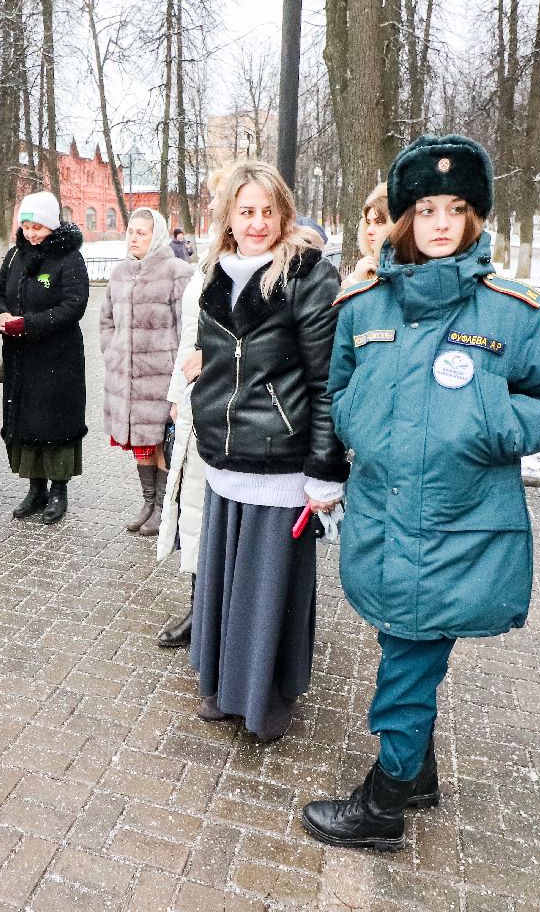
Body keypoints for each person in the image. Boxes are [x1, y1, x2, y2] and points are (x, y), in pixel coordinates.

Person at [299, 133, 540, 850]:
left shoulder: (512, 309)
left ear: (475, 218)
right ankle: (416, 770)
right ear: (402, 216)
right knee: (404, 645)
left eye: (456, 208)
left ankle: (384, 805)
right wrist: (366, 425)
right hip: (381, 515)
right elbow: (338, 391)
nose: (439, 223)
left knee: (406, 663)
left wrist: (482, 418)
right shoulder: (363, 304)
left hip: (460, 523)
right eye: (425, 207)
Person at [187, 159, 343, 743]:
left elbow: (327, 380)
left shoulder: (307, 274)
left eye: (267, 212)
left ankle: (263, 702)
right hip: (226, 454)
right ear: (227, 215)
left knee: (266, 587)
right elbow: (217, 358)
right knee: (224, 582)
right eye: (244, 211)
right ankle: (224, 688)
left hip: (282, 457)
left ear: (284, 213)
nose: (256, 224)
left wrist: (325, 470)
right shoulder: (212, 273)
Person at [0, 191, 90, 524]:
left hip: (57, 359)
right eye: (26, 226)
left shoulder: (69, 258)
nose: (31, 233)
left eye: (37, 227)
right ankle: (35, 489)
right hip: (20, 359)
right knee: (25, 422)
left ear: (52, 224)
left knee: (55, 424)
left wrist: (28, 324)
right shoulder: (14, 256)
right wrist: (0, 316)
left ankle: (58, 490)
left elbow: (73, 306)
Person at [101, 207, 194, 536]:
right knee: (141, 443)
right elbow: (106, 320)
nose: (134, 237)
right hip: (126, 379)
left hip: (161, 379)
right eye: (130, 231)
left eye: (141, 232)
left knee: (160, 443)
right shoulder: (119, 273)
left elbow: (188, 329)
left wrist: (182, 378)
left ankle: (164, 508)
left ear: (156, 235)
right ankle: (148, 502)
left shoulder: (177, 272)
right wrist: (112, 353)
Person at [153, 262, 206, 647]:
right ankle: (199, 607)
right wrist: (176, 393)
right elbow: (191, 335)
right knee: (195, 508)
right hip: (196, 395)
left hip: (241, 404)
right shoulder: (210, 259)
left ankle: (214, 611)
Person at [346, 185, 390, 282]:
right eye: (368, 223)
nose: (369, 231)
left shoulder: (412, 269)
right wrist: (355, 281)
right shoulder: (367, 268)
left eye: (379, 222)